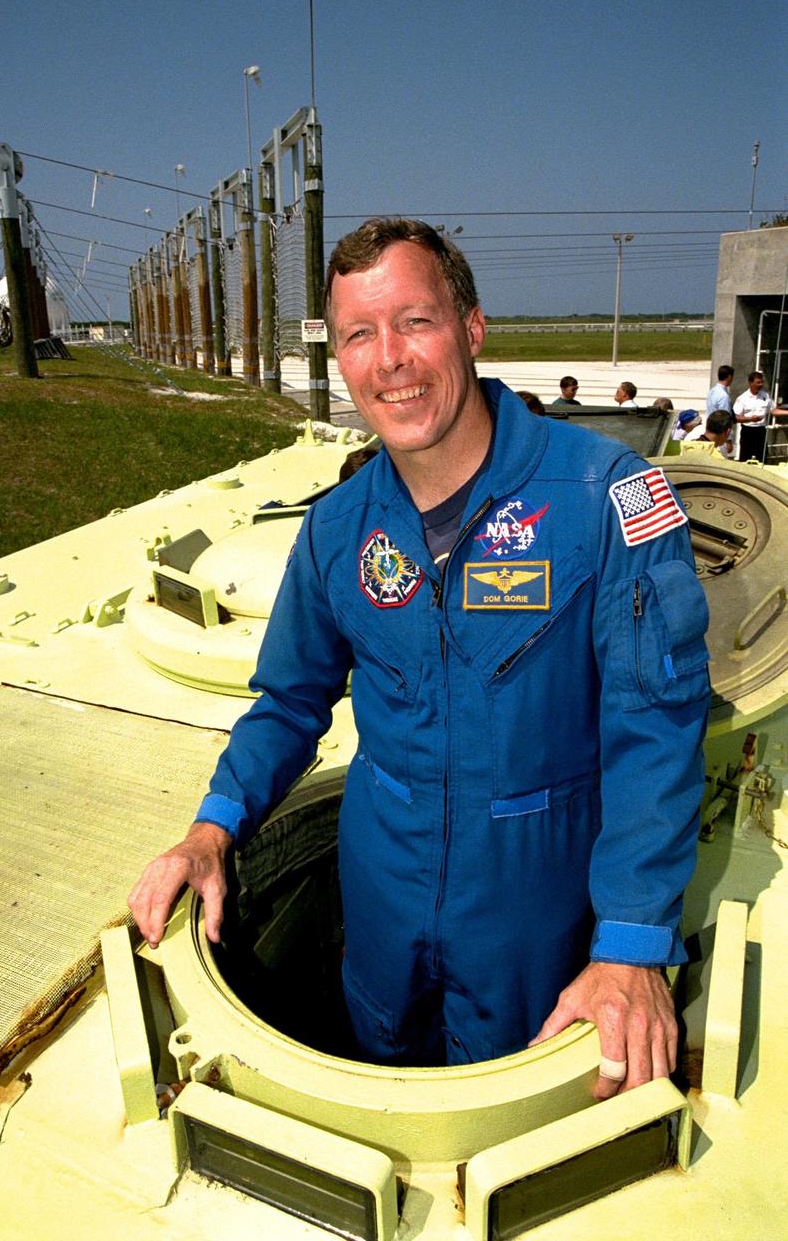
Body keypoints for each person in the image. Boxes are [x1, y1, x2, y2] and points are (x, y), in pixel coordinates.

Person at [129, 219, 710, 1099]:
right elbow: (289, 703)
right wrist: (212, 828)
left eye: (414, 322)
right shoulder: (336, 528)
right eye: (360, 335)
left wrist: (630, 943)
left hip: (532, 921)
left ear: (470, 329)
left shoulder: (604, 497)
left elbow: (654, 729)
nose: (389, 358)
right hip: (381, 906)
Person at [734, 371, 772, 462]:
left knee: (762, 459)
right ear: (750, 383)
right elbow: (736, 417)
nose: (761, 384)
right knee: (745, 459)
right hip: (748, 431)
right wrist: (750, 419)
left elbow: (773, 410)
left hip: (761, 431)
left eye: (762, 382)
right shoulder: (742, 398)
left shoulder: (765, 396)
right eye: (758, 382)